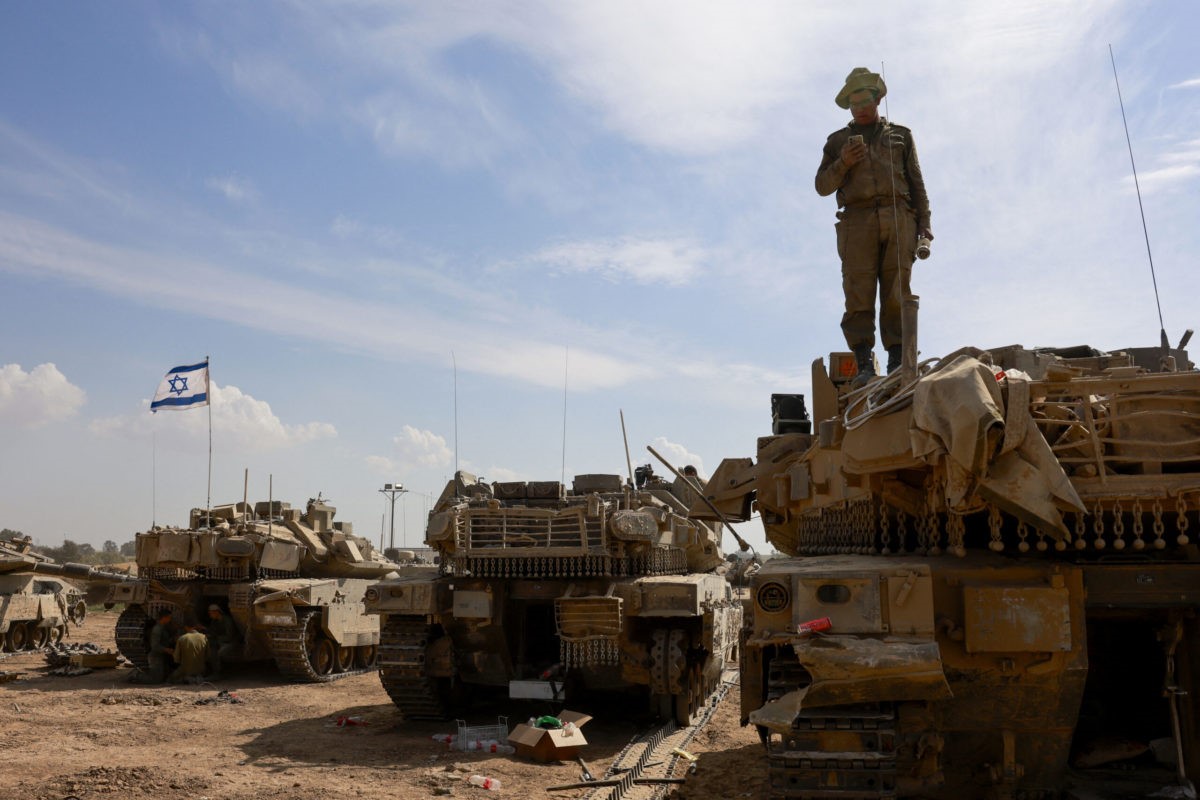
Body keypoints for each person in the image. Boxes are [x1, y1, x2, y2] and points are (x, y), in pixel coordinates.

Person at [815, 67, 933, 384]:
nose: (860, 108)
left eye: (865, 100)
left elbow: (916, 182)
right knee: (858, 292)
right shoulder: (837, 141)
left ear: (877, 98)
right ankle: (864, 362)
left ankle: (897, 360)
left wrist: (924, 222)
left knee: (898, 290)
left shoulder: (901, 135)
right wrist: (844, 162)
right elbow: (822, 186)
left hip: (899, 217)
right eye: (853, 103)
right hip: (857, 220)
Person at [141, 609, 176, 683]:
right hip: (156, 657)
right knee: (156, 680)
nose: (170, 620)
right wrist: (167, 650)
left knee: (165, 677)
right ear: (164, 618)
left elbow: (164, 641)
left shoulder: (163, 627)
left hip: (162, 656)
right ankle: (136, 676)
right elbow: (155, 646)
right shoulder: (157, 629)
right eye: (169, 618)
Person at [203, 604, 238, 679]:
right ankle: (213, 672)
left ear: (216, 612)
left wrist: (215, 638)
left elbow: (230, 637)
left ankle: (217, 673)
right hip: (220, 641)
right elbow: (212, 632)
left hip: (231, 642)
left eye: (211, 613)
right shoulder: (214, 621)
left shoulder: (227, 621)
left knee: (219, 653)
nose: (210, 615)